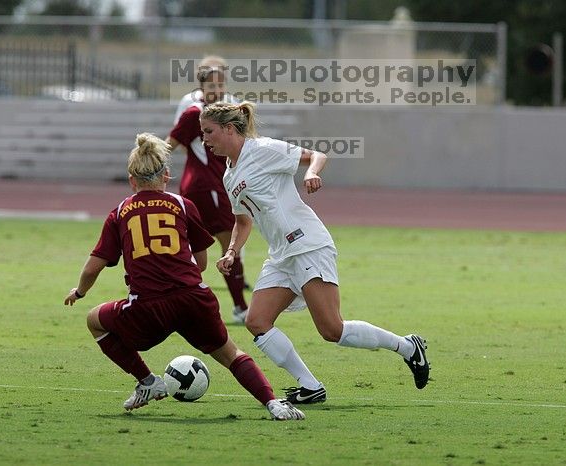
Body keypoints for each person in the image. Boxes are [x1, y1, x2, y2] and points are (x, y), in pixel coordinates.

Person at [200, 102, 430, 405]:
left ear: (229, 129)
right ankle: (310, 385)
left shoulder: (263, 149)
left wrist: (310, 173)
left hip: (307, 243)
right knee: (257, 321)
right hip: (282, 255)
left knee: (332, 329)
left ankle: (408, 347)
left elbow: (317, 155)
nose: (205, 140)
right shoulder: (229, 175)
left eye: (209, 132)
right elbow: (243, 221)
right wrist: (231, 251)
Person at [63, 133, 304, 421]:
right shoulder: (182, 204)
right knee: (231, 354)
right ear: (166, 175)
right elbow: (201, 261)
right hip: (194, 298)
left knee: (95, 321)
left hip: (147, 307)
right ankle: (273, 403)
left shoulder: (120, 212)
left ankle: (147, 381)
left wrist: (79, 291)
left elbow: (92, 268)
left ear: (131, 180)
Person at [167, 59, 249, 324]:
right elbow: (171, 143)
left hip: (216, 185)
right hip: (207, 188)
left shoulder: (228, 111)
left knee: (194, 249)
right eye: (211, 84)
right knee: (229, 246)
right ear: (201, 88)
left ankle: (183, 305)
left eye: (220, 83)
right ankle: (240, 308)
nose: (216, 89)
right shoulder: (195, 112)